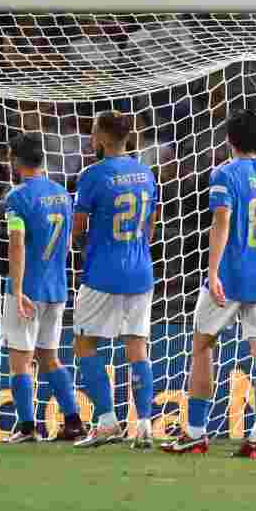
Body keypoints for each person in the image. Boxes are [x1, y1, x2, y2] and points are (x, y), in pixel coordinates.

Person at [160, 109, 256, 458]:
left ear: (229, 140)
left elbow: (221, 221)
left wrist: (213, 271)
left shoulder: (224, 174)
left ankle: (195, 432)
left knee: (203, 346)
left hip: (231, 277)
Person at [71, 111, 159, 448]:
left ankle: (107, 421)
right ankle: (146, 425)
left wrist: (88, 249)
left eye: (93, 131)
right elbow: (150, 225)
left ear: (103, 138)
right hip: (140, 270)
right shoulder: (146, 173)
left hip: (103, 272)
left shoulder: (92, 175)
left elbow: (78, 229)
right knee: (137, 347)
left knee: (84, 343)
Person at [0, 133, 83, 442]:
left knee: (20, 359)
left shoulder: (17, 197)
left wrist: (19, 289)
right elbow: (68, 239)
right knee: (49, 357)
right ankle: (73, 420)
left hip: (28, 288)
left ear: (16, 161)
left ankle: (26, 427)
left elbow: (17, 244)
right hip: (57, 287)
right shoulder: (62, 194)